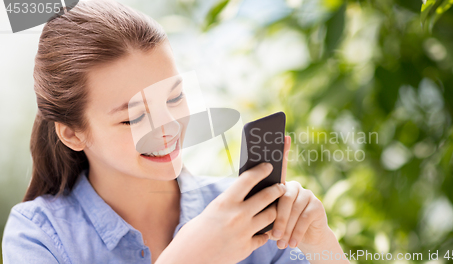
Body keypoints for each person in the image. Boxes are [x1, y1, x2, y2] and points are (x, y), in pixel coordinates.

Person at [1, 0, 348, 263]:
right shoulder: (39, 235)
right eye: (132, 118)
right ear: (73, 134)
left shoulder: (246, 216)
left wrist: (320, 245)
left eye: (175, 97)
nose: (166, 128)